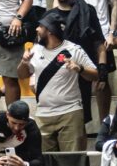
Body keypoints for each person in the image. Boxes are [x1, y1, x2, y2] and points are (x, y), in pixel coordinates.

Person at [18, 12, 98, 152]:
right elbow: (22, 75)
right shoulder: (35, 50)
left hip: (70, 114)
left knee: (72, 163)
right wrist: (24, 63)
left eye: (40, 26)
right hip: (43, 115)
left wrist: (79, 69)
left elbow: (96, 75)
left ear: (49, 30)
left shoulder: (73, 49)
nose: (36, 29)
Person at [60, 0, 117, 118]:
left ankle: (104, 122)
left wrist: (111, 33)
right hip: (74, 35)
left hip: (99, 34)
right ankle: (79, 121)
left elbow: (115, 4)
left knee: (102, 79)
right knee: (74, 78)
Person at [45, 0, 108, 125]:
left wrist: (102, 71)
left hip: (81, 70)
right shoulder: (49, 16)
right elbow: (42, 47)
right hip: (57, 72)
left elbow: (98, 43)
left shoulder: (87, 11)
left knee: (81, 118)